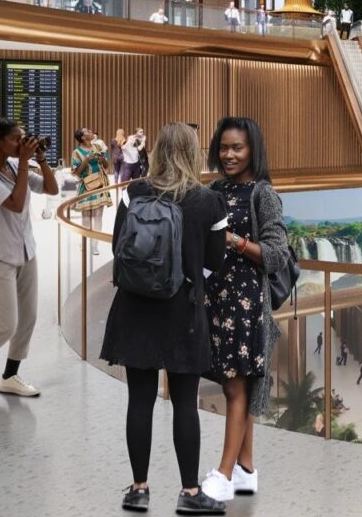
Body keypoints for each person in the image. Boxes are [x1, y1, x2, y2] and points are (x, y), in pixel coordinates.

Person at [99, 122, 227, 515]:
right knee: (185, 403)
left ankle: (139, 489)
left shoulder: (134, 192)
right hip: (183, 310)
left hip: (135, 306)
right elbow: (215, 262)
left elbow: (119, 246)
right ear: (192, 152)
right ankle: (190, 493)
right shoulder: (209, 201)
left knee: (140, 400)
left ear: (156, 152)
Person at [200, 117, 292, 503]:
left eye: (237, 147)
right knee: (235, 384)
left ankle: (223, 475)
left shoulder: (263, 194)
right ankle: (246, 469)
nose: (229, 154)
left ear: (253, 149)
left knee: (236, 385)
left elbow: (276, 254)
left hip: (247, 304)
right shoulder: (215, 189)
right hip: (216, 299)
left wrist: (233, 240)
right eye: (223, 147)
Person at [0, 117, 58, 396]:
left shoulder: (14, 165)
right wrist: (24, 163)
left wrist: (41, 160)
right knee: (5, 326)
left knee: (27, 319)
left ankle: (10, 376)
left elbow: (51, 189)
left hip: (26, 251)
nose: (21, 143)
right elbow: (14, 203)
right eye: (16, 139)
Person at [71, 127, 112, 256]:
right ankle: (85, 240)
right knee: (86, 216)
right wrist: (86, 160)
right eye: (88, 132)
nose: (91, 132)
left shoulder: (98, 147)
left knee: (99, 215)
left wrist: (102, 158)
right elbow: (77, 173)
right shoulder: (76, 153)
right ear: (83, 138)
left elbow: (107, 165)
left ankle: (95, 243)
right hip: (86, 186)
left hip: (100, 184)